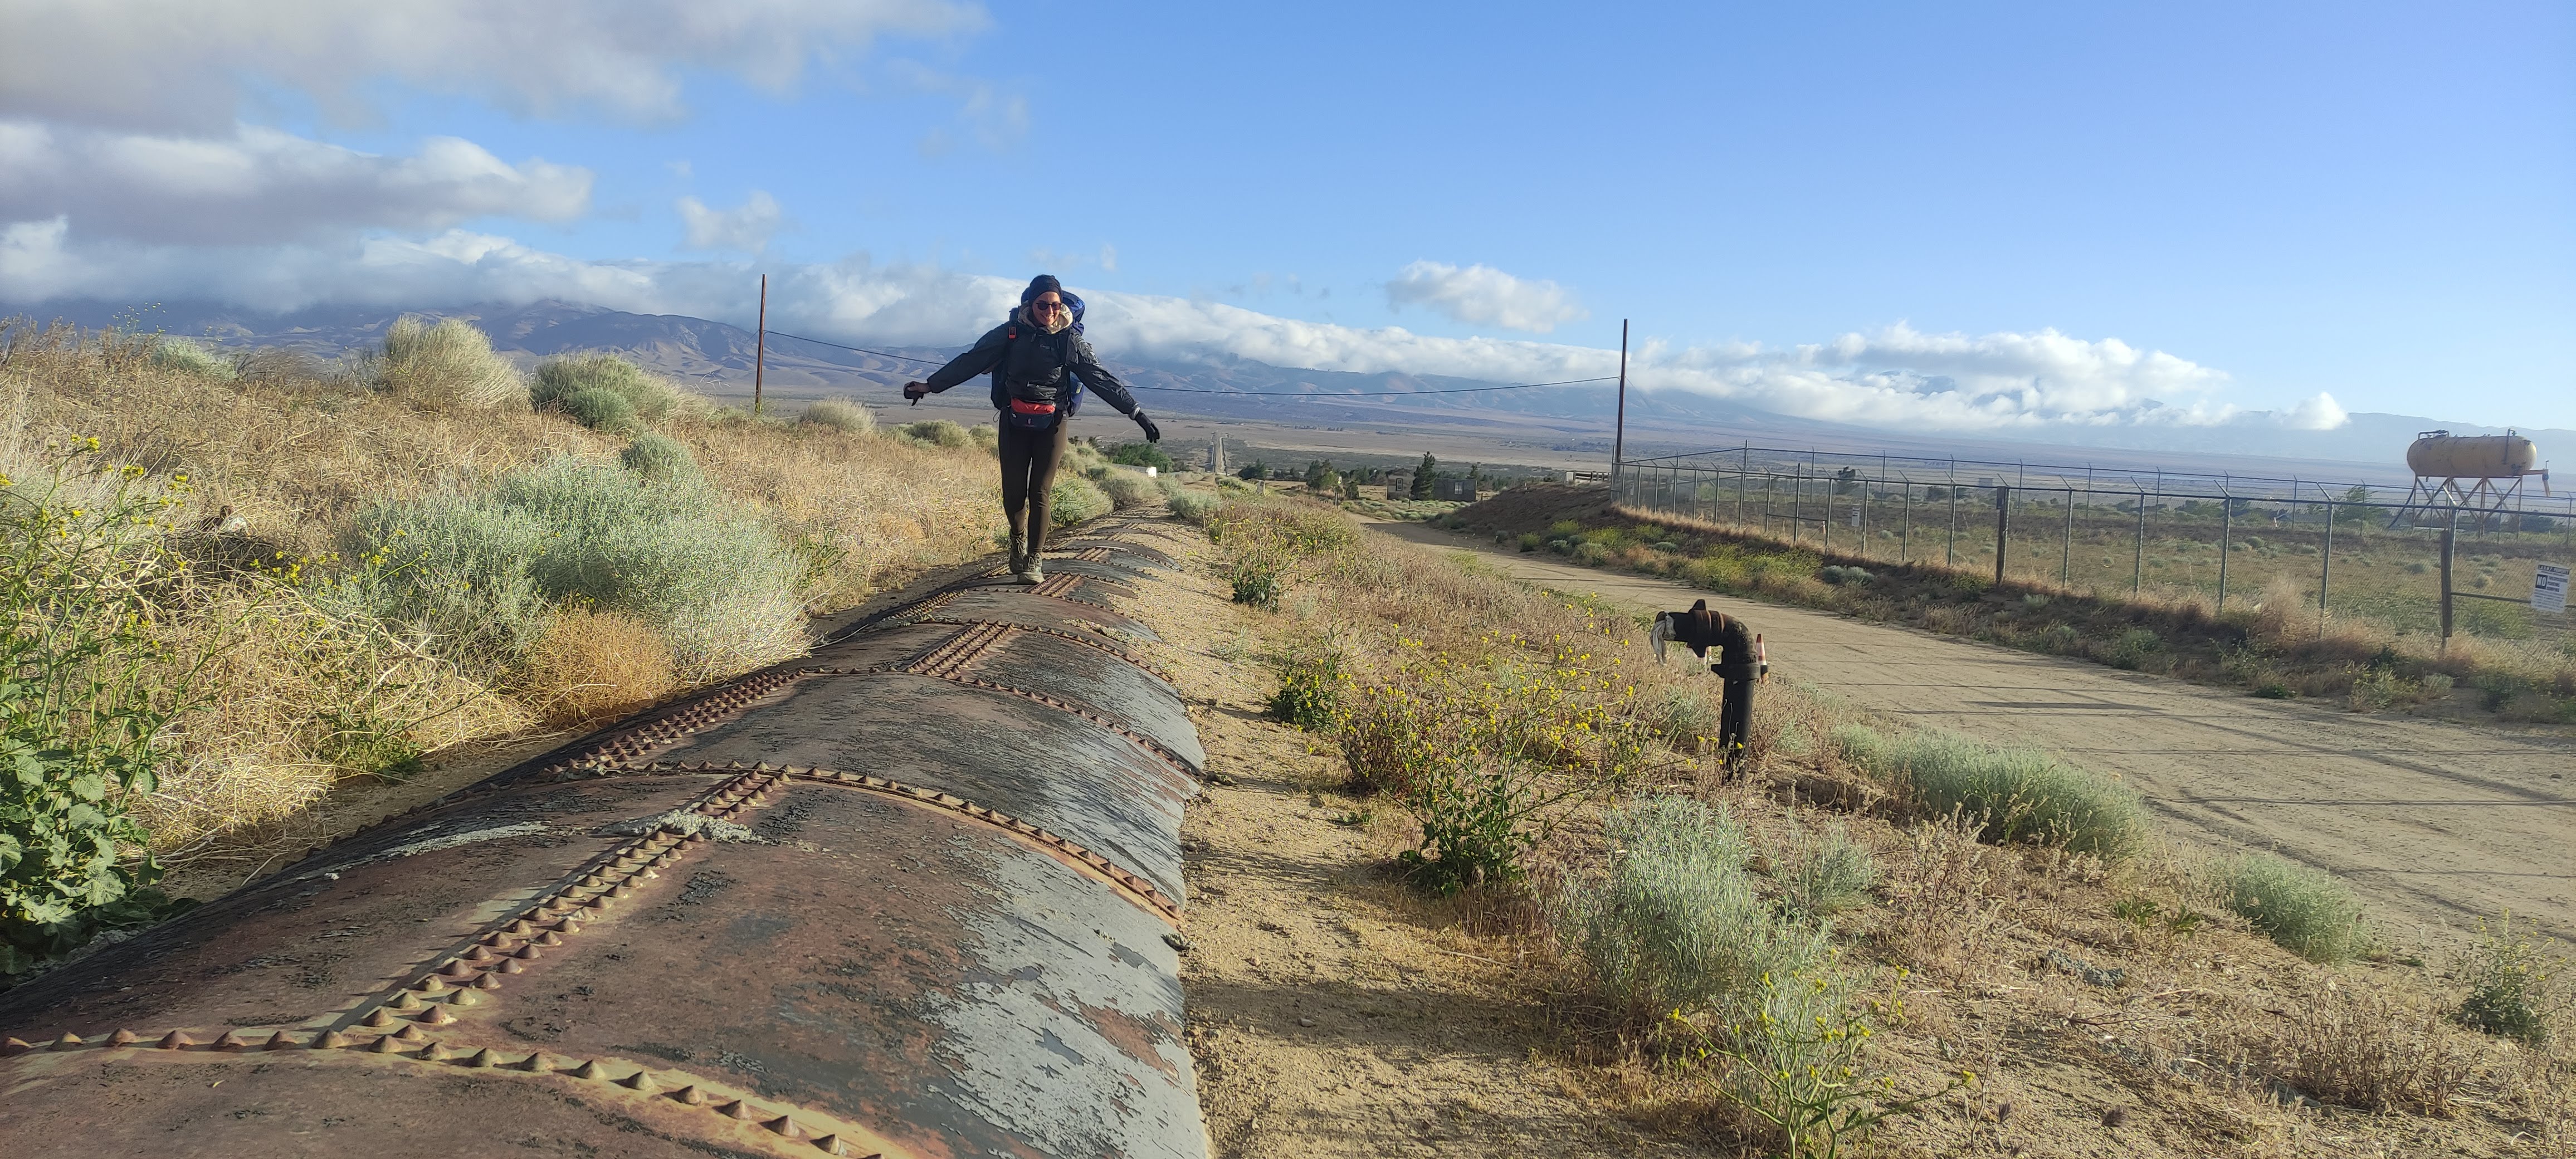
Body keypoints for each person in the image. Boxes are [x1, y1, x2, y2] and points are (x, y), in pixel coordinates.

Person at [902, 275, 1162, 583]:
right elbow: (970, 361)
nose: (1050, 312)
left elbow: (1100, 379)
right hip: (1014, 420)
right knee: (1013, 493)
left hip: (1053, 422)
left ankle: (1034, 561)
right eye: (1043, 305)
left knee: (1040, 491)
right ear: (1030, 304)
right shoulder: (1011, 334)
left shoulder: (1069, 340)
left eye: (1055, 305)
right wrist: (929, 386)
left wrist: (1136, 412)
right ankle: (1017, 537)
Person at [1650, 598, 1767, 768]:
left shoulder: (1737, 633)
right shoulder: (1735, 632)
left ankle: (1732, 773)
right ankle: (1731, 772)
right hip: (1736, 661)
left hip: (1738, 662)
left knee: (1736, 729)